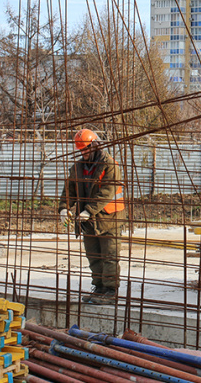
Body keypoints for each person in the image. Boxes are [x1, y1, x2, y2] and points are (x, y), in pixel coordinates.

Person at [59, 129, 126, 305]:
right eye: (81, 150)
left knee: (109, 256)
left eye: (86, 149)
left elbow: (107, 191)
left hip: (110, 218)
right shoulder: (78, 167)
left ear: (95, 145)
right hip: (88, 220)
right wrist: (64, 208)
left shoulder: (109, 164)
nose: (84, 153)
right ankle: (99, 289)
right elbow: (70, 189)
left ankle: (110, 292)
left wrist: (88, 210)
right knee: (94, 256)